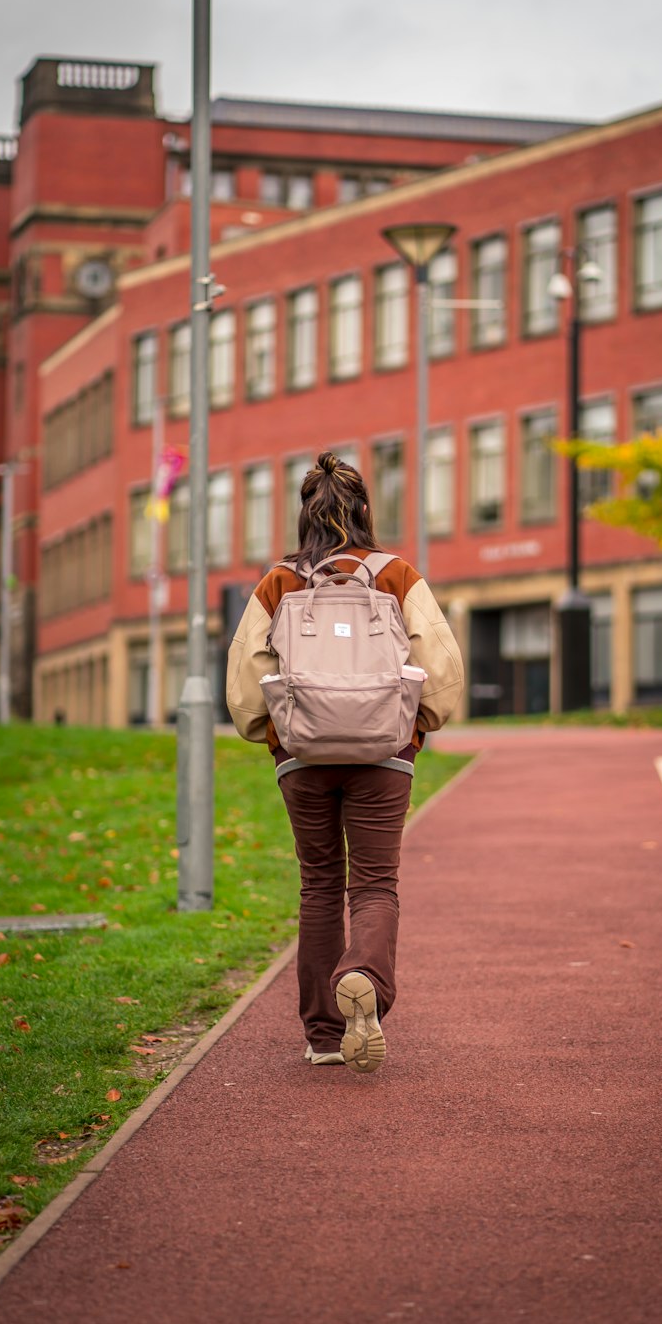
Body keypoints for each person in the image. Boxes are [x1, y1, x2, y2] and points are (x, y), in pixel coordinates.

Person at [226, 451, 464, 1074]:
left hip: (302, 755)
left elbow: (248, 687)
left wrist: (272, 735)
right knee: (376, 884)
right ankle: (363, 977)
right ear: (363, 509)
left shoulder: (277, 583)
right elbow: (440, 670)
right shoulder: (397, 575)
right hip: (384, 752)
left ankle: (325, 1037)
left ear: (304, 514)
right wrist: (418, 725)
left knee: (320, 884)